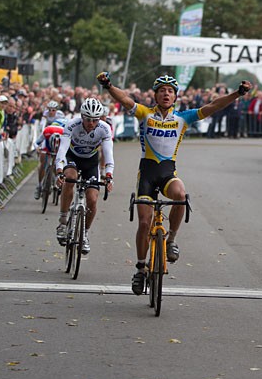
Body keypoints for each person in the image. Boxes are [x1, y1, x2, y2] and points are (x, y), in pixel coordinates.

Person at [97, 71, 252, 296]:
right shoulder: (145, 114)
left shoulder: (183, 117)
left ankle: (172, 240)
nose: (166, 94)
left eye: (170, 91)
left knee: (180, 195)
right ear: (156, 96)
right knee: (144, 222)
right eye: (162, 91)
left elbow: (213, 106)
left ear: (175, 96)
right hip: (147, 176)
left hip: (168, 173)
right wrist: (108, 86)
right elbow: (125, 100)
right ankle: (140, 268)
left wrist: (237, 94)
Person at [54, 98, 114, 254]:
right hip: (72, 158)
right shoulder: (72, 125)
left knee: (92, 199)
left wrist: (109, 174)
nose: (91, 123)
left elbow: (108, 153)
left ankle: (85, 233)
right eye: (88, 119)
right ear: (82, 116)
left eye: (95, 120)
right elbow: (62, 150)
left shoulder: (105, 128)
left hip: (90, 162)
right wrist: (59, 170)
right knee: (70, 178)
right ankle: (62, 221)